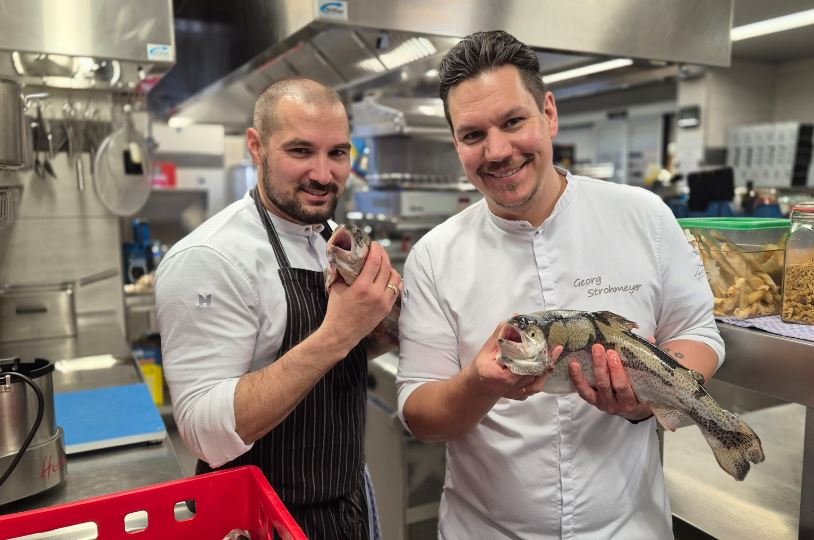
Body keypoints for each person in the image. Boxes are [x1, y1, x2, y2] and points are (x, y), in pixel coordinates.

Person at [396, 31, 724, 539]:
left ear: (548, 113)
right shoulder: (433, 257)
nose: (497, 151)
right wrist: (478, 386)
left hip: (629, 527)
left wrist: (649, 396)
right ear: (456, 142)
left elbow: (699, 331)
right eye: (472, 135)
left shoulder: (643, 216)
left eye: (512, 121)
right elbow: (420, 414)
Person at [155, 78, 400, 539]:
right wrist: (339, 333)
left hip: (345, 503)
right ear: (257, 147)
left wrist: (380, 328)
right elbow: (203, 432)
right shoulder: (211, 258)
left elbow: (322, 367)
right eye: (301, 151)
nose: (324, 175)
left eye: (338, 154)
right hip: (260, 521)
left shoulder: (326, 235)